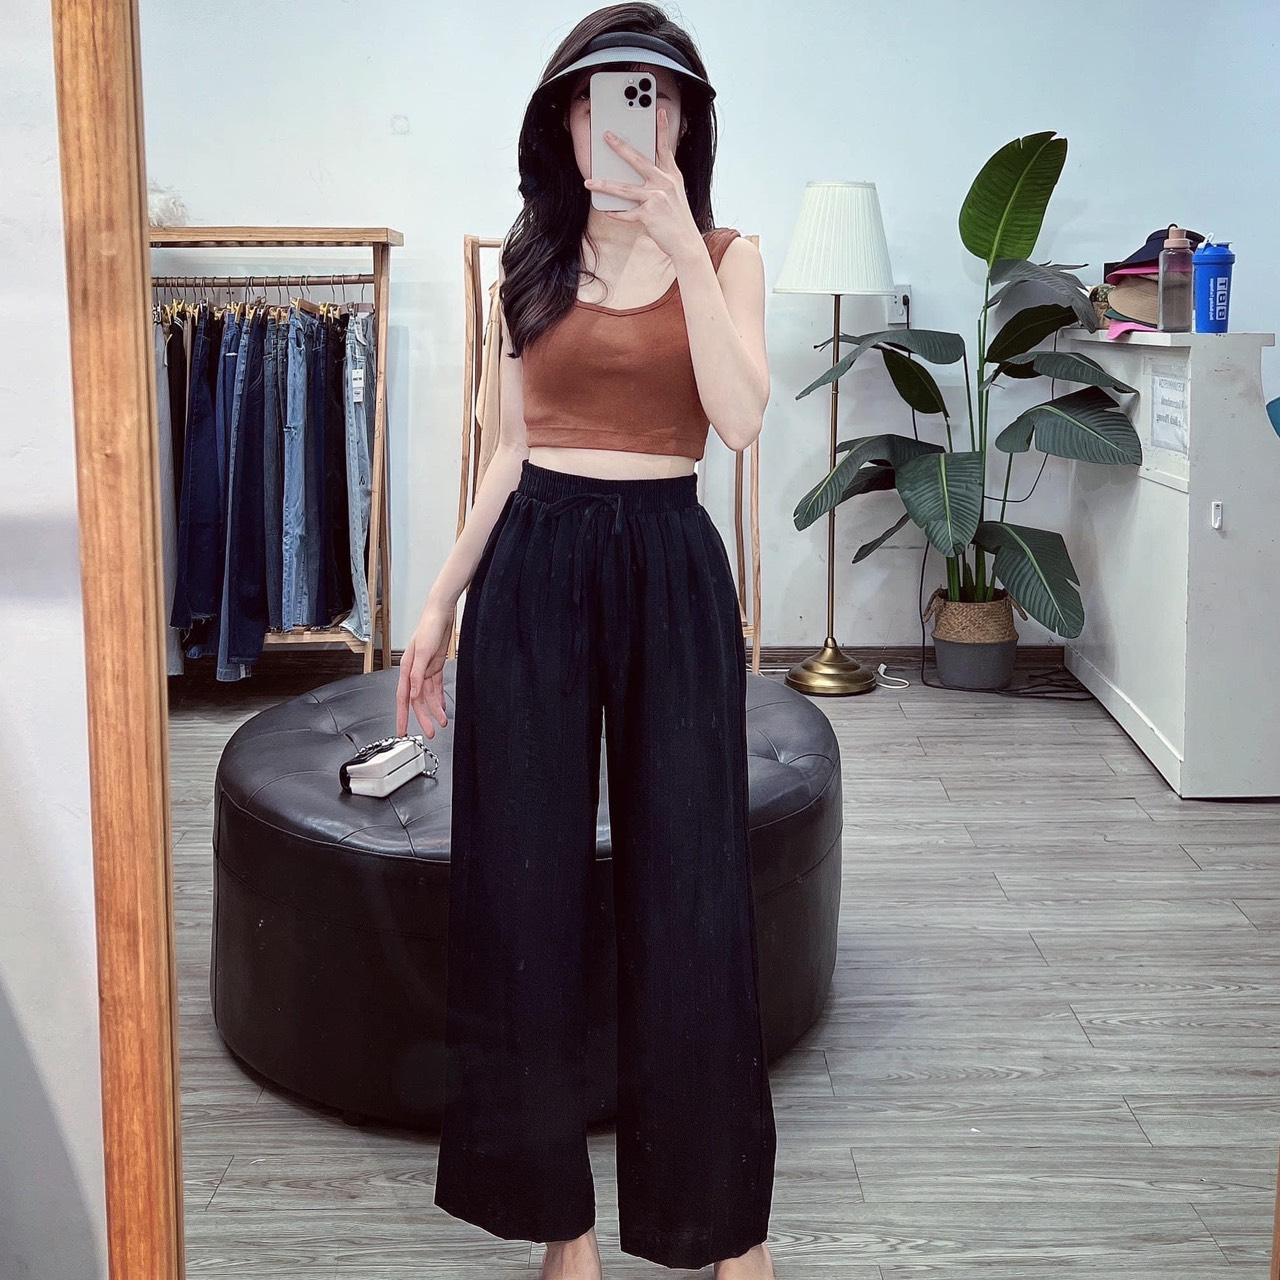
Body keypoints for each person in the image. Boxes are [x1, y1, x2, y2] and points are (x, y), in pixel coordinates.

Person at [396, 8, 776, 1277]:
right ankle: (560, 1226)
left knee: (692, 891)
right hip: (533, 569)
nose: (628, 120)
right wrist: (438, 601)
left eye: (654, 98)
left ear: (685, 123)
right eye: (604, 96)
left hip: (668, 565)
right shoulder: (527, 263)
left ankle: (728, 1227)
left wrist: (676, 242)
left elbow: (737, 420)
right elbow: (505, 450)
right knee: (520, 892)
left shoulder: (727, 256)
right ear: (562, 120)